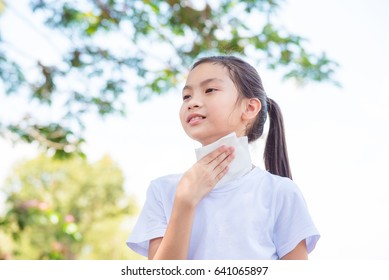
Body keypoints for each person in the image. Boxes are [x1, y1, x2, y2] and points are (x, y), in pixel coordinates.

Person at [126, 55, 320, 260]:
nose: (192, 103)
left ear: (250, 108)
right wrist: (184, 203)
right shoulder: (163, 191)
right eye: (186, 96)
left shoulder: (280, 192)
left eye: (209, 90)